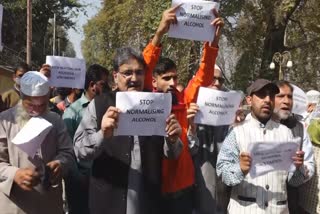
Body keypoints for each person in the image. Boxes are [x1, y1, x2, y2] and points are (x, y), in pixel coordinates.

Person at [74, 47, 183, 214]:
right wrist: (101, 135)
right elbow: (79, 151)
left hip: (147, 201)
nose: (134, 78)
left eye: (139, 72)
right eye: (127, 73)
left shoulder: (157, 104)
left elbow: (173, 154)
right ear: (115, 76)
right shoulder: (99, 104)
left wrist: (173, 140)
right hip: (108, 202)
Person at [143, 6, 224, 214]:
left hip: (183, 188)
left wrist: (212, 42)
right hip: (154, 188)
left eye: (175, 77)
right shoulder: (145, 103)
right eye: (166, 78)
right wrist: (160, 33)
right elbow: (143, 68)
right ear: (154, 80)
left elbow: (204, 74)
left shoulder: (185, 100)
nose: (172, 82)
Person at [216, 79, 308, 213]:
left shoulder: (286, 133)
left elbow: (294, 182)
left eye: (271, 96)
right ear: (249, 100)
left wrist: (298, 168)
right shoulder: (237, 131)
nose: (267, 100)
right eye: (261, 95)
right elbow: (222, 172)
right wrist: (240, 169)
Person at [0, 71, 75, 214]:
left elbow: (68, 153)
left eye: (42, 105)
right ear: (22, 98)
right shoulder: (4, 121)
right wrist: (14, 174)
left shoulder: (55, 120)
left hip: (49, 204)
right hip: (15, 206)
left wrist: (59, 164)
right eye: (31, 105)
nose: (37, 110)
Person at [63, 64, 109, 214]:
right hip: (80, 180)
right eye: (103, 84)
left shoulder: (108, 107)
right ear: (92, 85)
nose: (107, 87)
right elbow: (67, 149)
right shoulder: (72, 112)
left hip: (103, 177)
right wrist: (78, 176)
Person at [187, 64, 231, 214]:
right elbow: (185, 152)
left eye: (220, 80)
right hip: (196, 195)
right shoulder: (189, 112)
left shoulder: (228, 115)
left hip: (223, 194)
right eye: (212, 79)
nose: (217, 83)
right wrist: (191, 127)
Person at [272, 80, 315, 214]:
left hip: (289, 199)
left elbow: (309, 164)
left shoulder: (299, 128)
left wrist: (299, 169)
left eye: (290, 97)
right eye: (280, 96)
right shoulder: (254, 124)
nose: (286, 101)